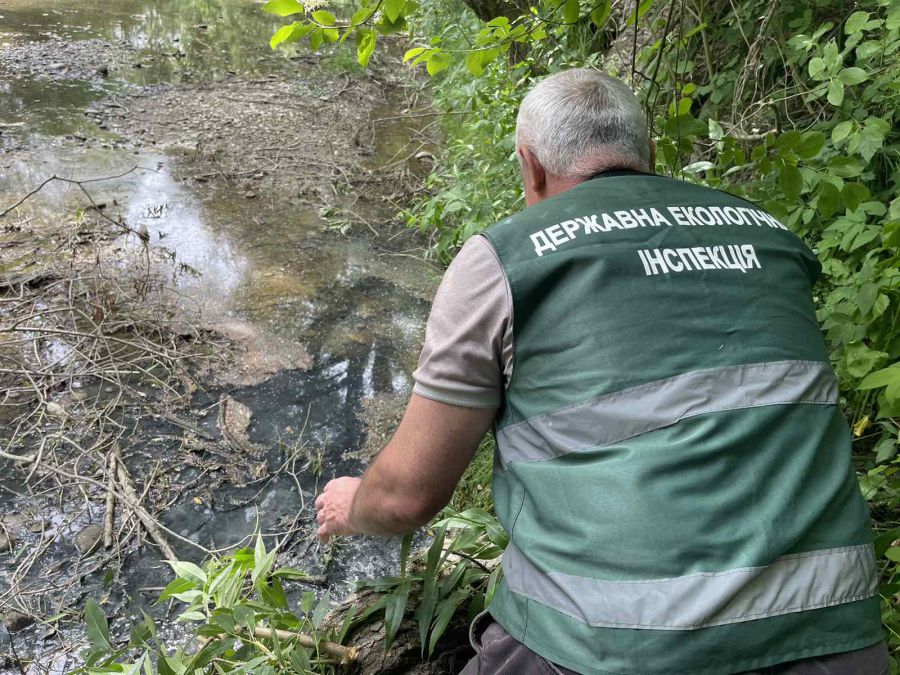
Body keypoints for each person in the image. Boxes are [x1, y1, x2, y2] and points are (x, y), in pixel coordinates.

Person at [314, 68, 888, 674]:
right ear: (650, 155)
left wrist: (354, 507)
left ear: (529, 166)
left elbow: (407, 497)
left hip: (613, 647)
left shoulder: (506, 259)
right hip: (834, 635)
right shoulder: (774, 239)